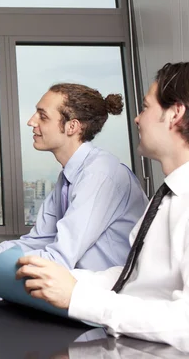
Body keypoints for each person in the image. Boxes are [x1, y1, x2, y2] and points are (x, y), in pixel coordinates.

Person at [16, 62, 189, 351]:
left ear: (175, 113)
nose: (137, 119)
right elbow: (131, 276)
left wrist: (78, 297)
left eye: (145, 107)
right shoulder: (168, 196)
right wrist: (60, 281)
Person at [0, 83, 148, 278]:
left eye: (42, 116)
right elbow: (37, 241)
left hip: (104, 301)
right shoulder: (69, 176)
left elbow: (58, 259)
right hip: (77, 292)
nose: (31, 121)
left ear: (72, 127)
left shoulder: (100, 175)